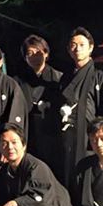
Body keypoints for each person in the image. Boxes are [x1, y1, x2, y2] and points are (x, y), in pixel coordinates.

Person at [57, 27, 103, 187]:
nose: (77, 49)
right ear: (69, 50)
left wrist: (101, 135)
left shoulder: (100, 76)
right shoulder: (65, 77)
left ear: (91, 47)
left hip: (89, 136)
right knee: (67, 175)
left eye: (82, 45)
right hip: (67, 134)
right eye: (73, 45)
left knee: (88, 178)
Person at [16, 35, 63, 164]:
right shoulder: (19, 81)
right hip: (29, 133)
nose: (34, 56)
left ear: (46, 54)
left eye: (38, 52)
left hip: (52, 134)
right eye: (29, 53)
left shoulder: (58, 79)